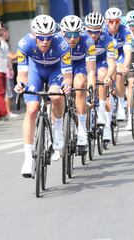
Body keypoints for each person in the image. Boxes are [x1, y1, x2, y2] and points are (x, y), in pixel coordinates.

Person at [15, 15, 72, 178]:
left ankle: (58, 128)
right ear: (34, 35)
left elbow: (68, 75)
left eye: (49, 37)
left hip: (55, 72)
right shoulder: (24, 43)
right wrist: (21, 85)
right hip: (35, 72)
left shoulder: (62, 44)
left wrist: (66, 85)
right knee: (32, 109)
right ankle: (28, 159)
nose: (45, 41)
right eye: (41, 37)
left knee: (55, 95)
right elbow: (22, 74)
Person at [59, 15, 97, 147]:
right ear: (62, 32)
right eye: (68, 34)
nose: (72, 38)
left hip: (79, 66)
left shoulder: (88, 42)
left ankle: (82, 129)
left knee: (80, 83)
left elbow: (91, 71)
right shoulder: (57, 40)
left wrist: (90, 92)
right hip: (61, 68)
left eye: (75, 34)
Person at [84, 12, 117, 141]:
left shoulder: (108, 40)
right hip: (86, 63)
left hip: (101, 63)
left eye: (96, 32)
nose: (93, 35)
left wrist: (109, 76)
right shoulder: (81, 38)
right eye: (90, 32)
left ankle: (104, 117)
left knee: (103, 75)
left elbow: (112, 64)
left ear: (101, 30)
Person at [104, 7, 132, 121]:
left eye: (117, 21)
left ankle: (121, 104)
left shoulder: (125, 31)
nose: (114, 24)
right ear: (107, 21)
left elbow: (128, 52)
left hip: (120, 55)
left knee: (119, 72)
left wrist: (125, 66)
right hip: (107, 56)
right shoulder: (102, 31)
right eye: (111, 21)